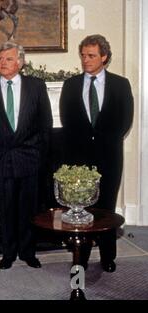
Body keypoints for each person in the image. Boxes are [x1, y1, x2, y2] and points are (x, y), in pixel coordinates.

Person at [59, 34, 134, 273]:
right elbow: (66, 118)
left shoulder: (121, 84)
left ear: (104, 57)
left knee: (107, 207)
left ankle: (107, 256)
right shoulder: (71, 84)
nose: (86, 60)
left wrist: (107, 141)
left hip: (109, 155)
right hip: (79, 158)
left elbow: (125, 120)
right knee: (81, 208)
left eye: (91, 55)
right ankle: (81, 257)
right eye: (83, 55)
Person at [0, 41, 53, 270]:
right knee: (6, 207)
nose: (2, 63)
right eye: (0, 59)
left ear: (20, 62)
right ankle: (8, 252)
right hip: (1, 157)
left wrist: (41, 154)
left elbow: (46, 123)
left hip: (30, 156)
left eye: (8, 59)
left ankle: (28, 251)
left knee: (29, 208)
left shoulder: (36, 86)